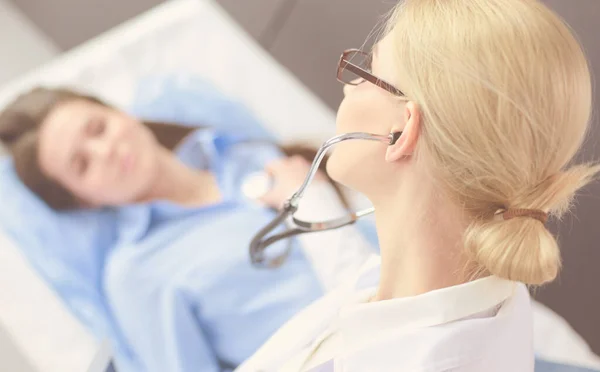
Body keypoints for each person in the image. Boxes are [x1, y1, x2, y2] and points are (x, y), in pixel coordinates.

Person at [237, 0, 599, 371]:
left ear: (401, 131)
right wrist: (312, 198)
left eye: (367, 71)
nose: (349, 88)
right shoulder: (482, 295)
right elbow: (366, 285)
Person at [0, 87, 375, 371]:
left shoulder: (244, 155)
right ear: (82, 200)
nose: (105, 151)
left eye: (98, 128)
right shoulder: (137, 274)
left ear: (121, 114)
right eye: (82, 165)